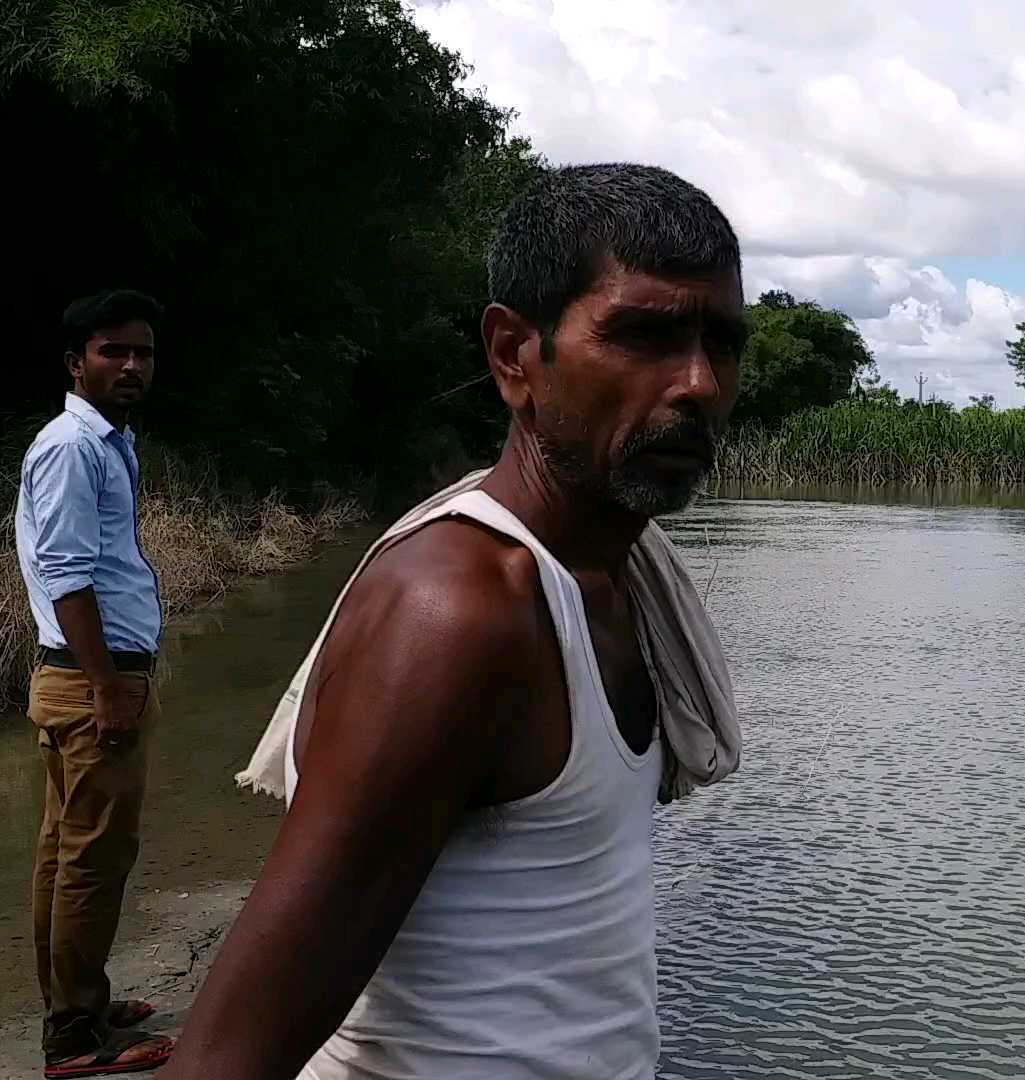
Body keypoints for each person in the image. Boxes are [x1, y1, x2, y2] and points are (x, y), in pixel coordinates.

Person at [165, 163, 747, 1080]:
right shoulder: (459, 614)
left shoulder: (618, 574)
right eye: (644, 336)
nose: (699, 384)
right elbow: (228, 1056)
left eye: (723, 343)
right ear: (515, 354)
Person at [16, 289, 178, 1077]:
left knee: (61, 852)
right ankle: (76, 1037)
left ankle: (74, 1000)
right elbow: (69, 574)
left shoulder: (108, 442)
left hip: (75, 679)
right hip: (92, 683)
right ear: (76, 361)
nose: (130, 365)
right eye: (113, 351)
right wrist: (109, 687)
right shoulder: (74, 447)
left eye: (143, 351)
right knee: (94, 858)